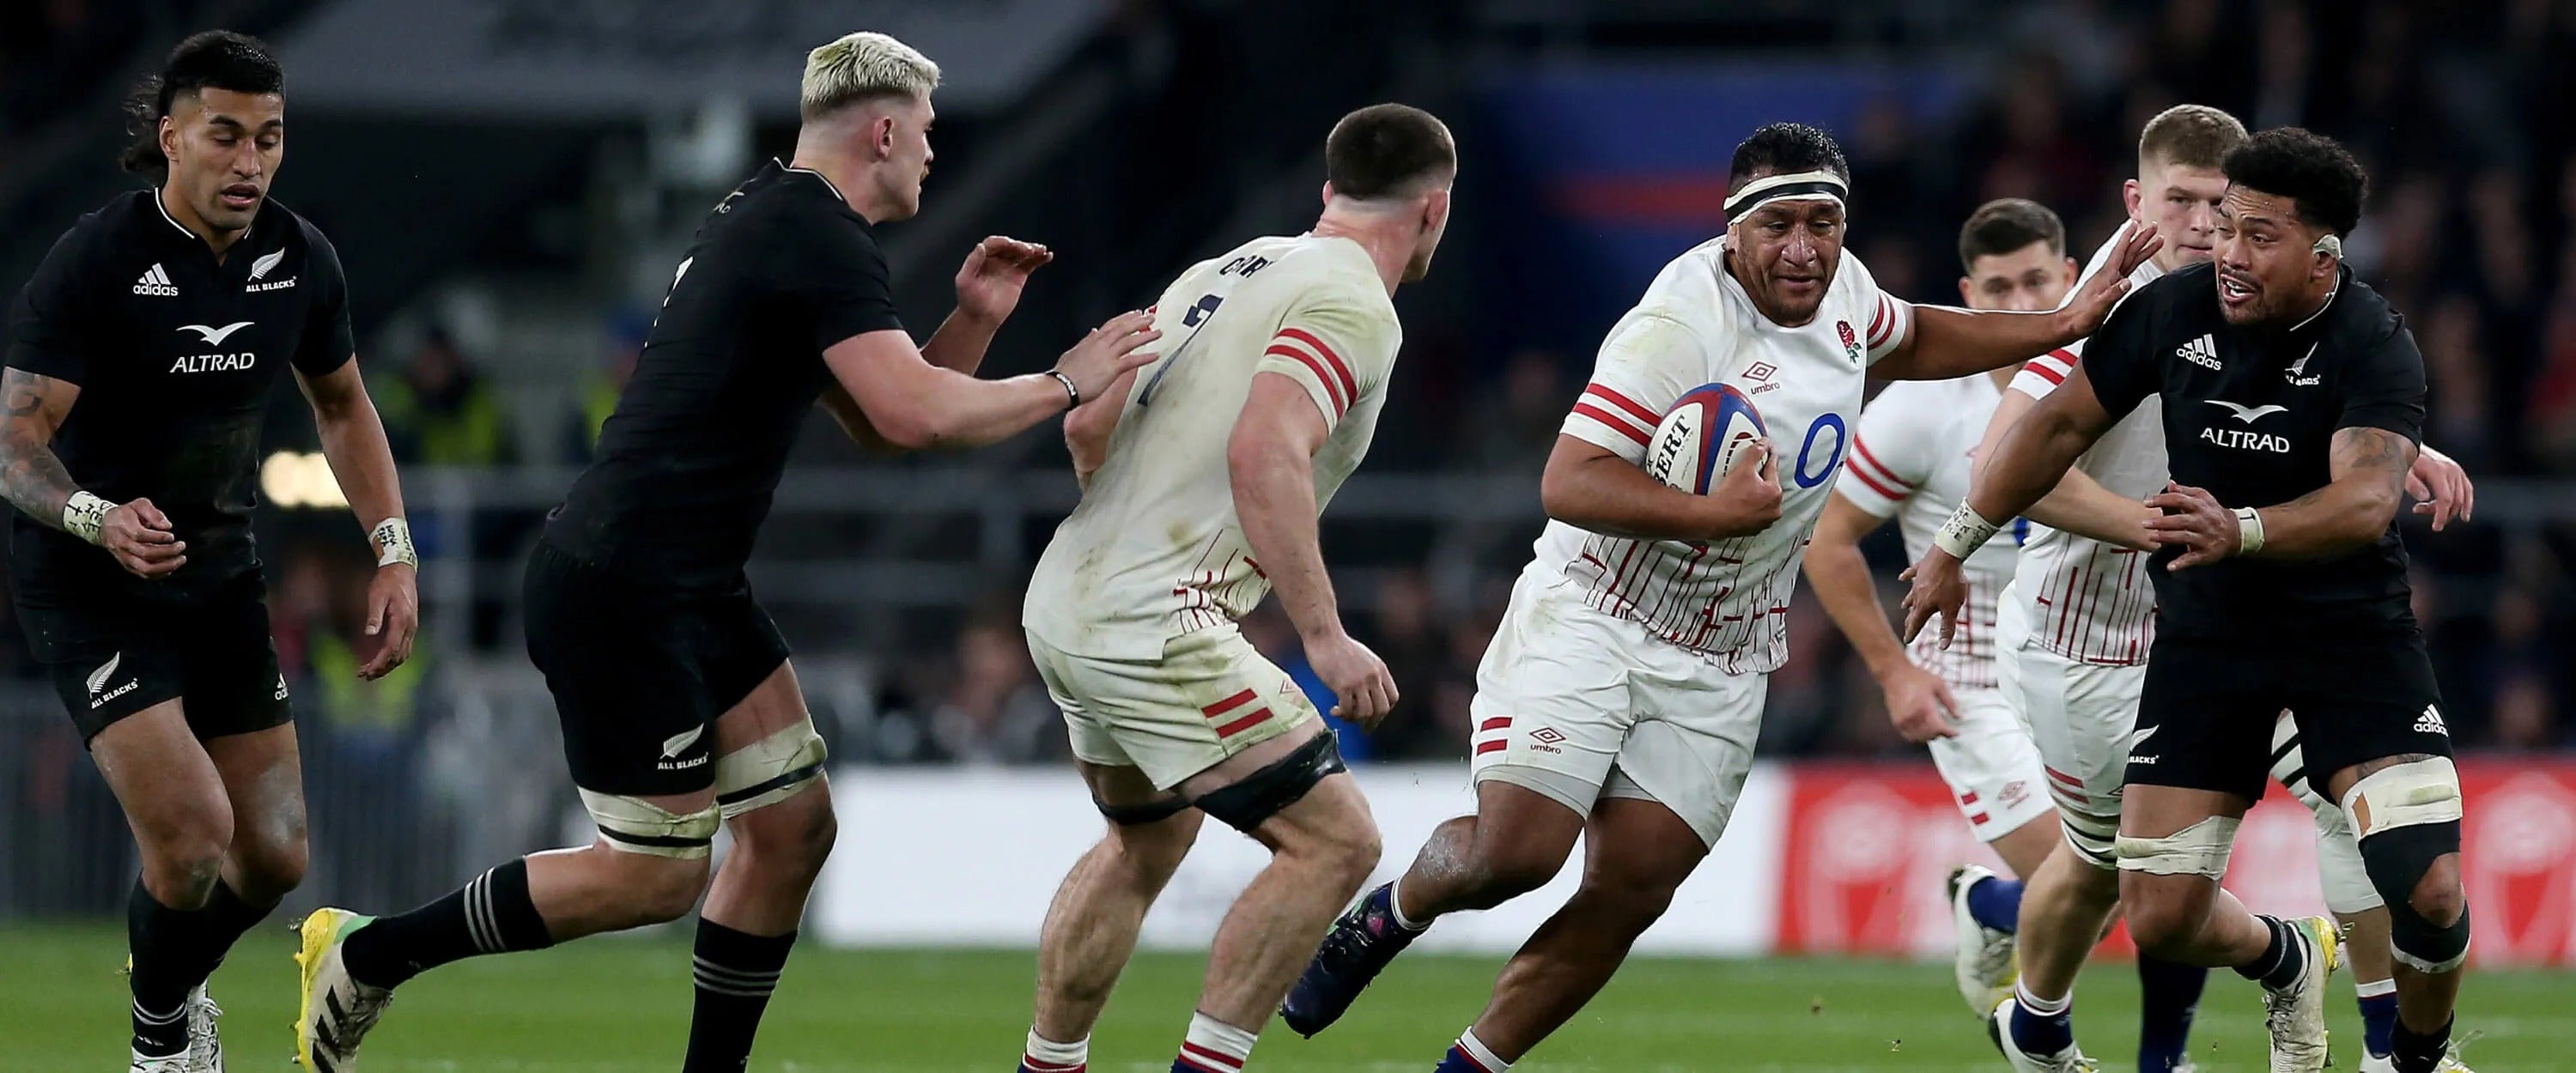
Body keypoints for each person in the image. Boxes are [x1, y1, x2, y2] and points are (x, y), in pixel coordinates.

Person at [291, 31, 1158, 1073]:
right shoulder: (810, 233)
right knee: (655, 874)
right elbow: (914, 414)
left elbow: (885, 424)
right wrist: (1065, 382)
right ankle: (370, 950)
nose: (934, 152)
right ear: (884, 132)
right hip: (625, 585)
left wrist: (971, 323)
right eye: (926, 131)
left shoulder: (779, 218)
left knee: (793, 828)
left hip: (688, 583)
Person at [1279, 121, 2160, 1073]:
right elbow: (1568, 479)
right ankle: (1393, 911)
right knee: (1517, 854)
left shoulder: (1845, 292)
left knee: (1632, 889)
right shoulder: (1680, 321)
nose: (1804, 248)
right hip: (1599, 610)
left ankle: (1467, 1067)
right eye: (1779, 225)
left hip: (1726, 648)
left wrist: (2060, 325)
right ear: (1733, 228)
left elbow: (1912, 334)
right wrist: (1710, 513)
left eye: (1823, 223)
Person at [1905, 127, 2472, 1073]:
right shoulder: (2154, 310)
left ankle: (2403, 1052)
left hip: (2345, 640)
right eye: (2207, 215)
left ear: (2323, 254)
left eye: (2251, 231)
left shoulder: (2372, 336)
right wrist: (1954, 545)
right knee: (2144, 902)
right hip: (2160, 645)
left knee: (2423, 878)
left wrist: (2245, 524)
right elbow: (2042, 436)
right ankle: (2173, 975)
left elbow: (2363, 497)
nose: (2223, 246)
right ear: (2139, 203)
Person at [0, 31, 418, 1073]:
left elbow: (343, 406)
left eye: (268, 138)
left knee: (274, 853)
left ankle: (177, 985)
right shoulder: (97, 258)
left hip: (217, 570)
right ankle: (161, 1039)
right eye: (225, 135)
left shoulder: (300, 258)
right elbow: (13, 439)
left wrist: (395, 550)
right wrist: (96, 516)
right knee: (191, 837)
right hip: (89, 577)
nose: (250, 162)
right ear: (171, 136)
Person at [1011, 102, 1454, 1073]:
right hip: (1152, 618)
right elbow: (1265, 448)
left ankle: (1046, 1064)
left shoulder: (1228, 267)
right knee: (1336, 843)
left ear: (1329, 191)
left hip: (1066, 594)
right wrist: (1326, 635)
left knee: (1144, 840)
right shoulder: (1354, 304)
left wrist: (1123, 541)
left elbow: (1087, 425)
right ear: (1435, 209)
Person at [1799, 197, 2174, 1020]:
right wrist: (1894, 672)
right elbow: (1826, 540)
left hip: (2085, 657)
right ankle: (2029, 987)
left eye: (2037, 282)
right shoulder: (1923, 408)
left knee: (2140, 884)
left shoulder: (2119, 374)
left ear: (2071, 277)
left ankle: (1991, 908)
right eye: (1999, 289)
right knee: (2093, 880)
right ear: (1969, 296)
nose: (2021, 302)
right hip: (1969, 678)